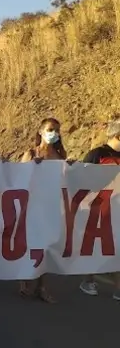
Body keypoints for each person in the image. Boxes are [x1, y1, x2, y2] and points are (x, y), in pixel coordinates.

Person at [18, 117, 73, 303]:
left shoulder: (60, 156)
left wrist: (71, 168)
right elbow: (19, 180)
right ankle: (25, 278)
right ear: (41, 131)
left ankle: (42, 285)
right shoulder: (31, 153)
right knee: (32, 244)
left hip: (52, 206)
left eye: (57, 130)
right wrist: (33, 167)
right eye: (50, 129)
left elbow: (66, 181)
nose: (54, 133)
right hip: (33, 206)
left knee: (47, 247)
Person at [78, 119, 120, 300]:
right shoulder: (97, 154)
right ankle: (88, 280)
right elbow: (82, 179)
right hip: (98, 208)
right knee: (94, 247)